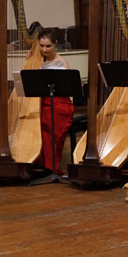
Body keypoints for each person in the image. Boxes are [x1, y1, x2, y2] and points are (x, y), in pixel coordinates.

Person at [35, 28, 74, 174]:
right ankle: (38, 160)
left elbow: (68, 90)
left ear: (55, 44)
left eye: (48, 46)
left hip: (60, 105)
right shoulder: (36, 57)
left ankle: (49, 165)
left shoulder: (62, 63)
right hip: (43, 102)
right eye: (41, 45)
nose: (44, 49)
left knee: (48, 118)